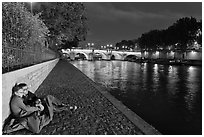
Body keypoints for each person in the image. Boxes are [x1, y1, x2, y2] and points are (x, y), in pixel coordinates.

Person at [3, 83, 77, 134]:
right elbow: (26, 108)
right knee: (50, 106)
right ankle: (66, 107)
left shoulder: (27, 94)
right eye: (24, 90)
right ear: (18, 92)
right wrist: (38, 107)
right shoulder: (20, 98)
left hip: (36, 106)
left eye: (27, 88)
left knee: (48, 98)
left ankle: (62, 104)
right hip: (34, 109)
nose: (27, 90)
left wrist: (37, 101)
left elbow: (35, 97)